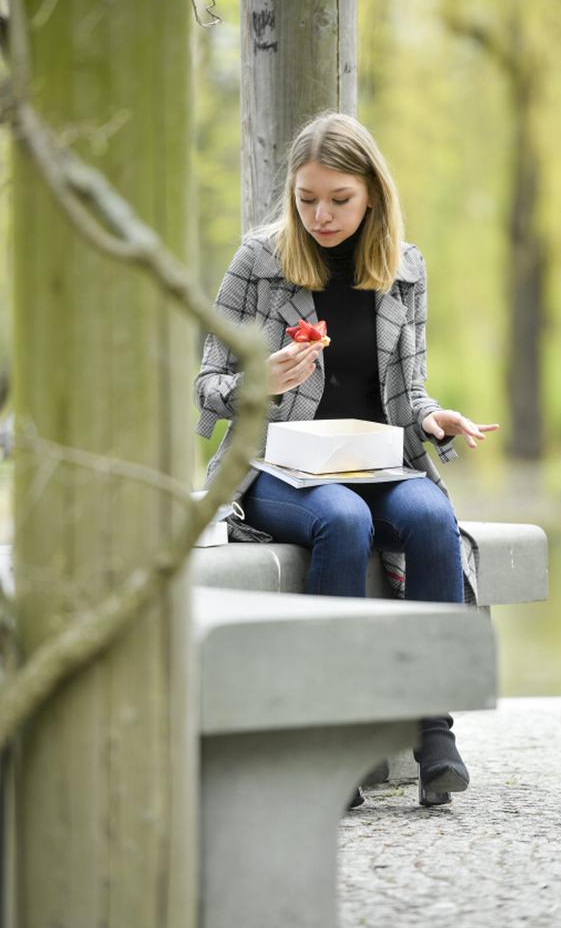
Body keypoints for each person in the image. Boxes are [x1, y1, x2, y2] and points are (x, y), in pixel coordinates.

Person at [195, 112, 499, 808]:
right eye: (307, 200)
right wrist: (258, 382)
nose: (322, 215)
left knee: (429, 517)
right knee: (341, 521)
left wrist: (432, 416)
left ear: (372, 198)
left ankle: (434, 731)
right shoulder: (258, 262)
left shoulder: (404, 268)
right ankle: (333, 736)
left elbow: (408, 390)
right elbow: (207, 386)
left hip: (381, 462)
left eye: (340, 200)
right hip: (277, 470)